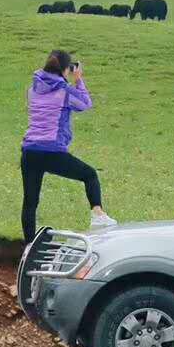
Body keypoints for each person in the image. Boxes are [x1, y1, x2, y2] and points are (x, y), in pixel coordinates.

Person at [21, 49, 115, 241]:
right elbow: (84, 104)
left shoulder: (32, 90)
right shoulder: (64, 91)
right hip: (52, 151)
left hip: (29, 151)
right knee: (89, 175)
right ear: (66, 70)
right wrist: (78, 80)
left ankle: (29, 245)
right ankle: (98, 215)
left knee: (30, 202)